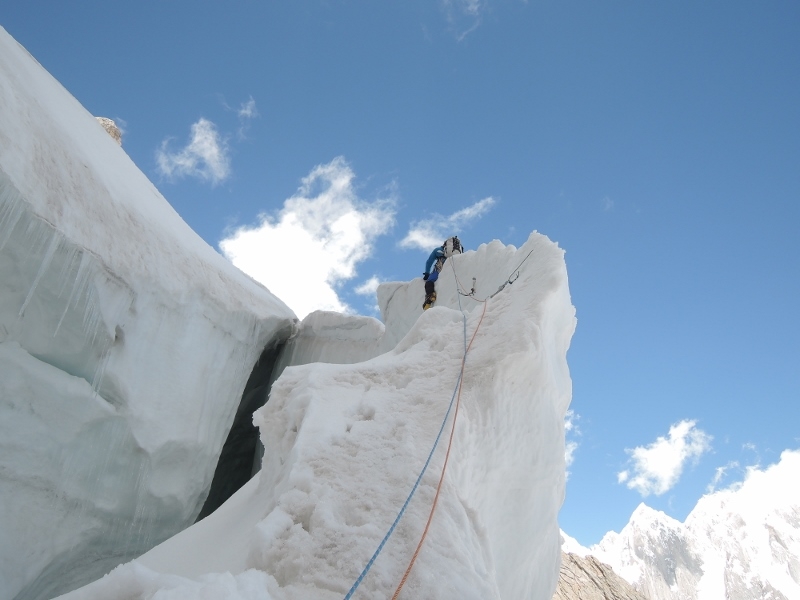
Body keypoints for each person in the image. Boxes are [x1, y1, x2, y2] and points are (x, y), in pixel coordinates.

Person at [422, 236, 462, 310]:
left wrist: (427, 273)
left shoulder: (438, 250)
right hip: (454, 265)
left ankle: (431, 295)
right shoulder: (457, 251)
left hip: (441, 266)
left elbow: (429, 262)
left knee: (429, 281)